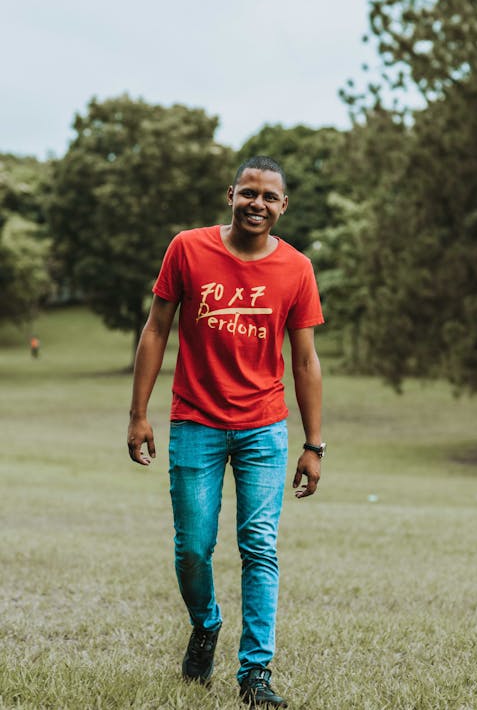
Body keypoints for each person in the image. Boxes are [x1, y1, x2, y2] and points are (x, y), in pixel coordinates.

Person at [127, 155, 325, 708]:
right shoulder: (188, 248)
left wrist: (313, 445)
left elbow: (306, 361)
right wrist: (138, 413)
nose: (257, 204)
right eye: (248, 193)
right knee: (193, 548)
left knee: (259, 546)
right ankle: (206, 623)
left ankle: (254, 673)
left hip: (265, 428)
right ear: (231, 194)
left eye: (269, 197)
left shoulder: (297, 269)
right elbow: (156, 328)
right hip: (196, 422)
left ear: (284, 207)